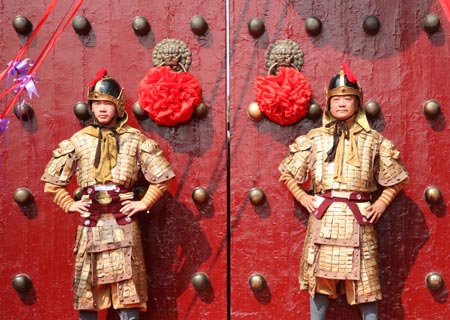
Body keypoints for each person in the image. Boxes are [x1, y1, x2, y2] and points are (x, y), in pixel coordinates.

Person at [41, 69, 175, 320]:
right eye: (97, 104)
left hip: (123, 226)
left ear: (119, 106)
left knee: (128, 291)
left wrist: (143, 202)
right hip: (91, 227)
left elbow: (163, 177)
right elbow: (52, 183)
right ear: (91, 107)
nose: (102, 109)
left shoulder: (135, 140)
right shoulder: (78, 141)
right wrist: (69, 204)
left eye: (108, 104)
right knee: (87, 292)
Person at [278, 64, 408, 320]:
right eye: (336, 98)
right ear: (328, 103)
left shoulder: (374, 140)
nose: (341, 103)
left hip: (358, 219)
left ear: (357, 103)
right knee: (320, 282)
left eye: (347, 98)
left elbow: (397, 179)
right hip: (323, 218)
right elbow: (288, 173)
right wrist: (303, 197)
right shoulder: (314, 138)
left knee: (366, 284)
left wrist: (381, 203)